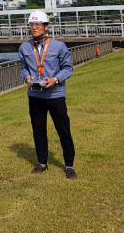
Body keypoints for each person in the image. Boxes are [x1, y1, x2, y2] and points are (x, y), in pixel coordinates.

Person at [19, 10, 76, 179]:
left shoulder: (59, 46)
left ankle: (69, 165)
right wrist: (27, 77)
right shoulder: (24, 47)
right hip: (35, 96)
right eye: (31, 25)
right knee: (38, 130)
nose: (34, 28)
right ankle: (42, 163)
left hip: (55, 95)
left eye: (38, 25)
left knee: (63, 129)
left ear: (46, 27)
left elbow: (68, 68)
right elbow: (23, 67)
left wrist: (56, 79)